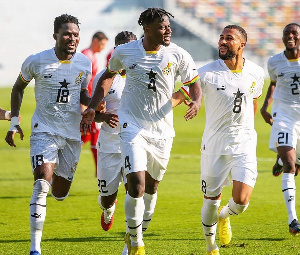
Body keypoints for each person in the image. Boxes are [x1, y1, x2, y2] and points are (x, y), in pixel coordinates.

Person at [81, 7, 202, 255]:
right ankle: (136, 243)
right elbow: (107, 75)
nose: (168, 30)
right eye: (162, 26)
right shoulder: (125, 51)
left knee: (151, 188)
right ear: (146, 29)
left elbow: (192, 83)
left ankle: (133, 233)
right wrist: (93, 108)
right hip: (132, 126)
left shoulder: (178, 54)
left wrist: (197, 101)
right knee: (135, 184)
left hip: (162, 131)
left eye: (169, 26)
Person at [5, 14, 92, 255]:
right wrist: (13, 122)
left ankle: (53, 179)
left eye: (75, 34)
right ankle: (35, 248)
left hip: (72, 134)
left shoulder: (85, 63)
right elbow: (18, 88)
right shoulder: (36, 61)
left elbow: (82, 93)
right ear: (55, 35)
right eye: (66, 33)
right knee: (41, 182)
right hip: (44, 129)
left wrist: (94, 107)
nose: (72, 38)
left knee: (60, 193)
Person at [198, 25, 264, 255]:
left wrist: (244, 128)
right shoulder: (206, 73)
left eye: (229, 38)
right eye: (221, 38)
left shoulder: (256, 72)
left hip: (244, 143)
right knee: (211, 200)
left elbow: (253, 100)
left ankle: (225, 217)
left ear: (241, 45)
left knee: (242, 201)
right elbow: (183, 95)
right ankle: (211, 246)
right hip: (214, 144)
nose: (222, 42)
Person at [93, 31, 137, 232]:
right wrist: (101, 115)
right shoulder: (105, 77)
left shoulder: (144, 77)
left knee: (135, 191)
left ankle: (133, 237)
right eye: (122, 49)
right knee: (107, 198)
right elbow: (91, 114)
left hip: (135, 144)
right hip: (109, 144)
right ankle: (108, 210)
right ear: (116, 50)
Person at [263, 23, 300, 235]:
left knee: (297, 165)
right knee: (290, 164)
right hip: (284, 115)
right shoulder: (274, 62)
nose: (290, 36)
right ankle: (292, 219)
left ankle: (279, 158)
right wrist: (265, 107)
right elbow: (273, 84)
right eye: (287, 33)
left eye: (294, 33)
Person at [81, 31, 108, 176]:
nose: (103, 48)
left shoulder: (91, 56)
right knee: (92, 137)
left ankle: (100, 170)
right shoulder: (86, 56)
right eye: (102, 44)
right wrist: (83, 107)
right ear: (96, 41)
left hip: (91, 103)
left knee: (86, 136)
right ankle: (101, 171)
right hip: (88, 104)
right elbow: (82, 84)